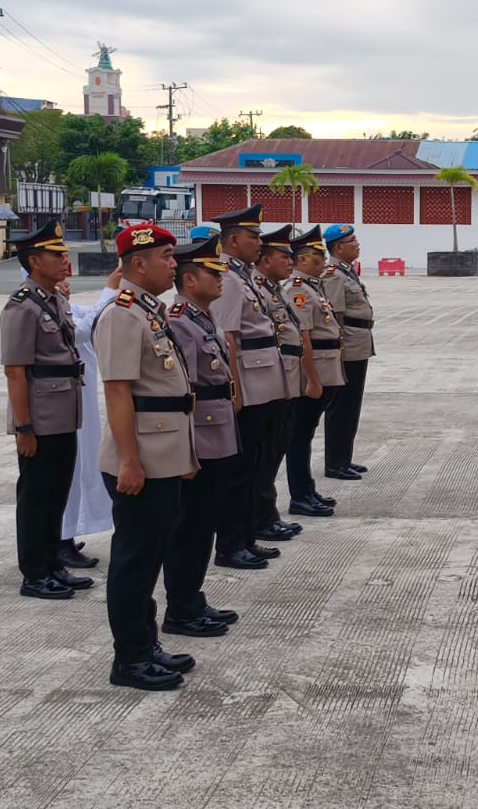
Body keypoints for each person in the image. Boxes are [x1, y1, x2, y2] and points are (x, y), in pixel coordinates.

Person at [94, 222, 199, 691]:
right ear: (138, 263)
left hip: (164, 452)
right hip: (141, 458)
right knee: (134, 561)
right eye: (166, 257)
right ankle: (130, 659)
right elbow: (118, 392)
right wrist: (130, 461)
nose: (173, 265)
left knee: (152, 555)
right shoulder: (121, 315)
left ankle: (146, 642)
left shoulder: (147, 310)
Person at [0, 220, 91, 600]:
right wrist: (24, 428)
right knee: (36, 498)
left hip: (64, 413)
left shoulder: (54, 299)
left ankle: (54, 563)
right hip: (39, 419)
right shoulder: (21, 307)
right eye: (56, 255)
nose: (65, 260)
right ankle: (35, 573)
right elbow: (15, 372)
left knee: (56, 494)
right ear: (34, 261)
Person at [208, 205, 298, 570]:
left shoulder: (242, 277)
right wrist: (234, 389)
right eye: (253, 236)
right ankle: (231, 545)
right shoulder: (229, 279)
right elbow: (229, 337)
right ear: (232, 240)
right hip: (249, 384)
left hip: (264, 382)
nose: (259, 243)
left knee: (254, 467)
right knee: (240, 472)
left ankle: (246, 538)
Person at [162, 237, 241, 637]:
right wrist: (187, 450)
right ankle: (181, 609)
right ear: (190, 279)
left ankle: (192, 598)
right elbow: (184, 391)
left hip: (218, 429)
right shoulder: (179, 320)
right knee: (190, 526)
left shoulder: (202, 317)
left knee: (204, 523)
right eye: (213, 273)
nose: (220, 279)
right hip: (201, 435)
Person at [57, 264, 124, 570]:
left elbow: (92, 316)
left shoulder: (66, 309)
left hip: (78, 403)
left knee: (80, 470)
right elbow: (84, 328)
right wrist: (111, 286)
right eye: (59, 281)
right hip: (62, 407)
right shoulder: (47, 310)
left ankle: (66, 535)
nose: (66, 285)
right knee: (68, 475)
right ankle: (59, 540)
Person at [284, 225, 346, 514]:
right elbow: (303, 338)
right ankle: (299, 496)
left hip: (326, 367)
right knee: (299, 436)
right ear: (302, 259)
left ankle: (308, 490)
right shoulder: (298, 289)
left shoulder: (312, 286)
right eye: (318, 258)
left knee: (307, 433)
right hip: (315, 370)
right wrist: (311, 378)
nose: (324, 262)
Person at [321, 224, 375, 478]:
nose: (357, 244)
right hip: (347, 348)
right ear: (338, 247)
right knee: (341, 407)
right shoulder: (333, 274)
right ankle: (335, 463)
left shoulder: (346, 271)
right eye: (352, 241)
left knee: (351, 406)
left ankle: (344, 458)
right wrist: (337, 351)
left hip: (358, 344)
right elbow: (335, 317)